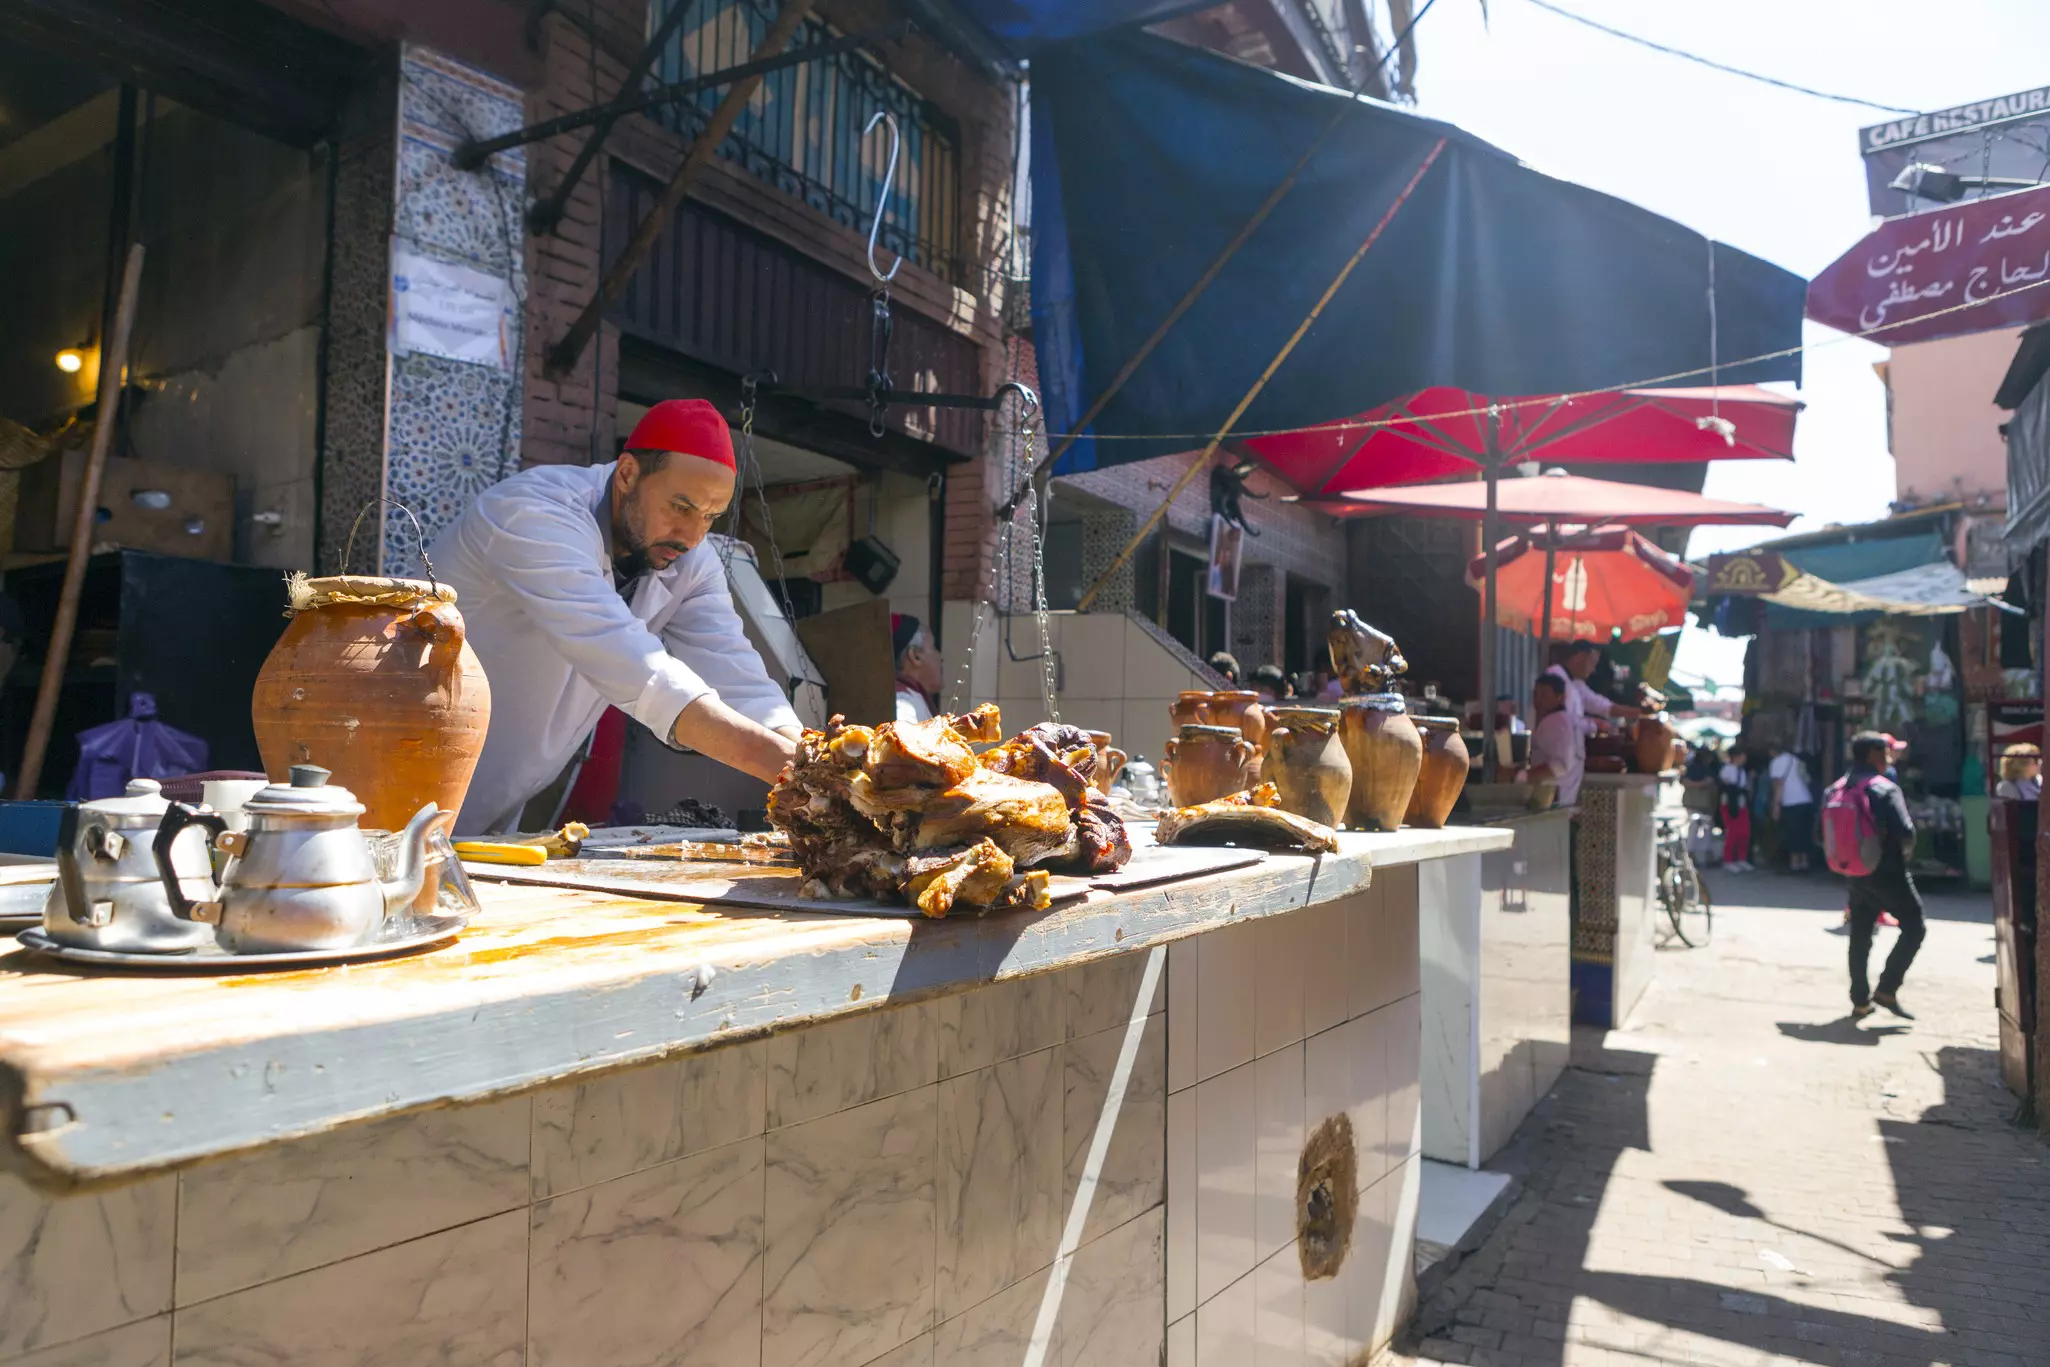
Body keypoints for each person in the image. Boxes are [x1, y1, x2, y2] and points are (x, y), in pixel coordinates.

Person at [433, 398, 802, 835]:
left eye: (710, 516)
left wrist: (820, 757)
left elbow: (739, 676)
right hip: (402, 777)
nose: (692, 535)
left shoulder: (691, 561)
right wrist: (792, 772)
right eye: (681, 507)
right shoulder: (533, 512)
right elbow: (632, 664)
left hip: (495, 799)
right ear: (627, 474)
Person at [1833, 731, 1925, 1020]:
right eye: (1885, 751)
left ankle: (1860, 999)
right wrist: (1902, 855)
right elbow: (1906, 831)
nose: (1888, 757)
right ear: (1873, 754)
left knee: (1860, 934)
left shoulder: (1836, 788)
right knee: (1914, 926)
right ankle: (1887, 989)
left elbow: (1819, 834)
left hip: (1853, 871)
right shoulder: (1883, 788)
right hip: (1887, 871)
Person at [1544, 641, 1642, 743]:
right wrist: (1595, 724)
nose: (1594, 670)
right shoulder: (1554, 676)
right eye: (1592, 662)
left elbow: (1602, 705)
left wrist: (1639, 712)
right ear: (1580, 657)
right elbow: (1563, 721)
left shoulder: (1576, 683)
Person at [1524, 673, 1582, 807]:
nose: (1538, 700)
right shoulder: (1567, 720)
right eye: (1536, 694)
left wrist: (1519, 777)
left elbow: (1559, 766)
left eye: (1544, 695)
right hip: (1565, 801)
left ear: (1560, 698)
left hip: (1552, 800)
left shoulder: (1554, 722)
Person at [1767, 741, 1816, 872]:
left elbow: (1778, 785)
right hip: (1805, 799)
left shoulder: (1776, 763)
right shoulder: (1796, 759)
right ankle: (1804, 861)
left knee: (1792, 832)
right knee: (1804, 831)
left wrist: (1776, 806)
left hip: (1790, 801)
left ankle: (1795, 862)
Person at [892, 614, 941, 722]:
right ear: (915, 656)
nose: (940, 657)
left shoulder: (911, 695)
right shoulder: (902, 701)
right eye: (933, 648)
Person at [1718, 748, 1753, 872]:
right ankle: (1728, 860)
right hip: (1730, 803)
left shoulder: (1742, 771)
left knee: (1744, 832)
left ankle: (1741, 859)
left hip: (1741, 803)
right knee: (1732, 832)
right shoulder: (1727, 770)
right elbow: (1726, 786)